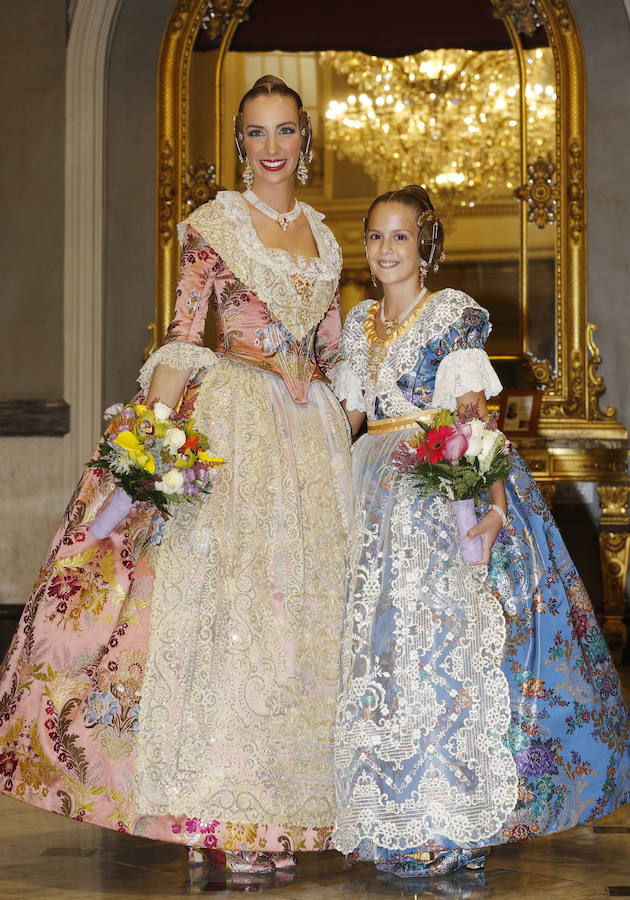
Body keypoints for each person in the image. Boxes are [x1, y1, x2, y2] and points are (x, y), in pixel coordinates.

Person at [0, 75, 352, 877]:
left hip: (313, 436)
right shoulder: (216, 227)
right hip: (237, 425)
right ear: (239, 145)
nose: (271, 148)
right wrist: (151, 439)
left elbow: (331, 347)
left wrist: (346, 408)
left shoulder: (325, 238)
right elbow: (187, 333)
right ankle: (215, 811)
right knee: (228, 616)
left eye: (284, 131)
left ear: (306, 140)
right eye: (255, 134)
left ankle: (287, 813)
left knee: (303, 621)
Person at [329, 184, 630, 878]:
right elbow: (345, 422)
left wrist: (493, 509)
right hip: (369, 495)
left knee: (442, 650)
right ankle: (390, 816)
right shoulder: (358, 325)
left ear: (424, 245)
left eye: (400, 236)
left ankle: (452, 816)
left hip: (438, 492)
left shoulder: (450, 318)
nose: (386, 249)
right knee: (380, 656)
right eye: (374, 236)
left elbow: (473, 422)